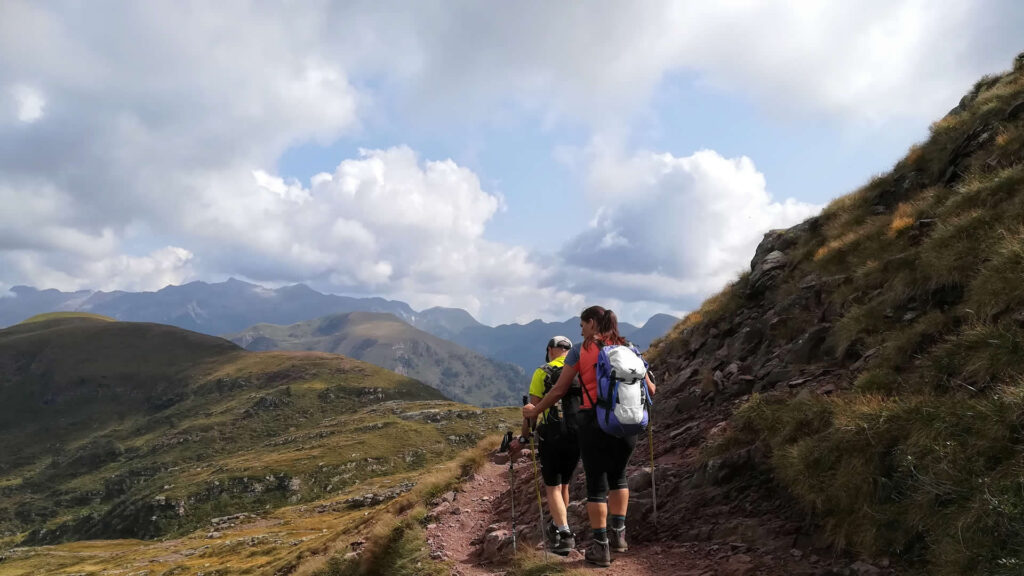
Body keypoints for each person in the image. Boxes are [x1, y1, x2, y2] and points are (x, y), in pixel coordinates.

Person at [523, 306, 655, 568]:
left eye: (582, 325)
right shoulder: (629, 346)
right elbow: (651, 387)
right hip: (627, 421)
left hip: (594, 422)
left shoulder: (581, 350)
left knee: (597, 483)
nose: (581, 330)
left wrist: (536, 409)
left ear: (593, 323)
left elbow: (560, 389)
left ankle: (600, 548)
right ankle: (619, 536)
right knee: (619, 476)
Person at [509, 334, 580, 556]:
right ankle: (559, 526)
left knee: (553, 486)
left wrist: (523, 437)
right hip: (579, 433)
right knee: (565, 485)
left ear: (550, 350)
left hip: (553, 435)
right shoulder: (580, 369)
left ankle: (565, 534)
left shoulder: (543, 371)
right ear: (568, 351)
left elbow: (532, 411)